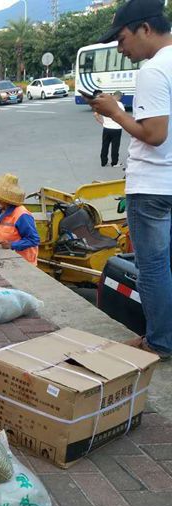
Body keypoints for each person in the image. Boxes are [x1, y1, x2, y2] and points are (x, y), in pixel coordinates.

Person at [90, 0, 172, 360]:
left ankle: (160, 342)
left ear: (145, 29)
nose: (120, 49)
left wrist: (115, 111)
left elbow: (154, 134)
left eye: (121, 39)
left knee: (152, 268)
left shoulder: (154, 70)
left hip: (152, 186)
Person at [0, 174, 40, 266]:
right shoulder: (0, 212)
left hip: (23, 262)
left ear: (4, 198)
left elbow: (34, 240)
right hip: (7, 259)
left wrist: (11, 245)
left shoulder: (22, 215)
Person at [94, 91, 125, 167]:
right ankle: (114, 163)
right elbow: (123, 116)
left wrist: (102, 123)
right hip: (116, 129)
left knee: (105, 145)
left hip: (106, 128)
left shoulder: (105, 103)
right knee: (115, 146)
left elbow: (95, 115)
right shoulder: (120, 104)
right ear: (119, 97)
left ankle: (103, 162)